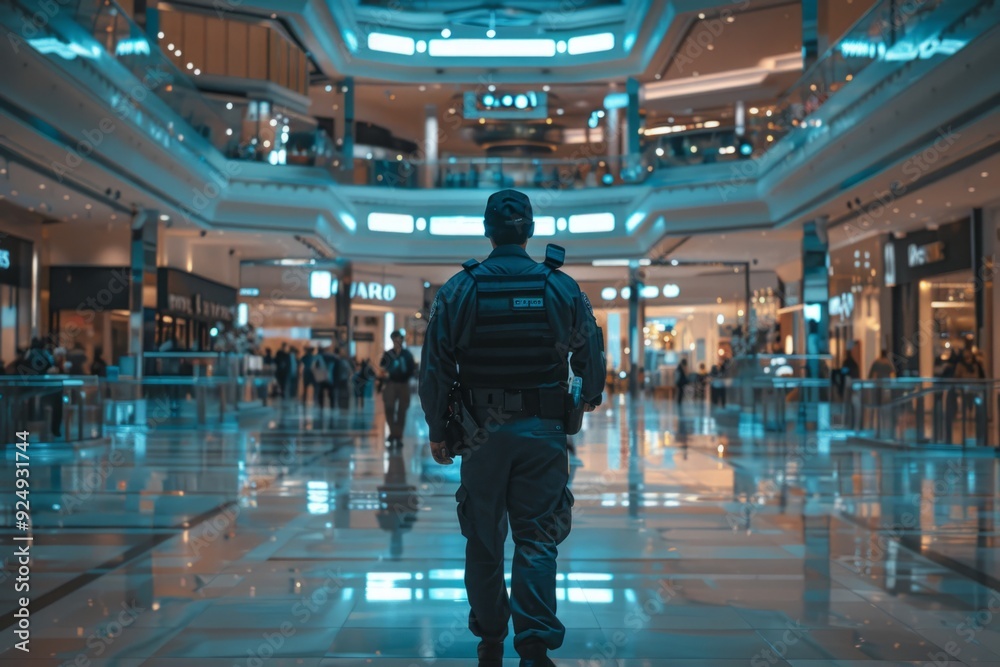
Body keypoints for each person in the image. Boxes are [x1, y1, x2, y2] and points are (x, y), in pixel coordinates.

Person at [419, 189, 605, 667]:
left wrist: (438, 428)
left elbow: (435, 365)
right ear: (530, 231)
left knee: (484, 539)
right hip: (543, 432)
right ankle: (535, 644)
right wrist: (588, 394)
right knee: (537, 537)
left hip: (480, 433)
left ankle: (490, 639)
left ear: (487, 231)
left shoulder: (460, 288)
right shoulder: (560, 286)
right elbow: (590, 349)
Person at [380, 331, 415, 447]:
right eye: (395, 339)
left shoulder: (407, 354)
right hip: (391, 383)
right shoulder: (388, 354)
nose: (397, 341)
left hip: (404, 384)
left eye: (399, 339)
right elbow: (382, 366)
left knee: (402, 411)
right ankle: (394, 432)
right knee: (389, 408)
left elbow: (411, 369)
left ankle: (397, 435)